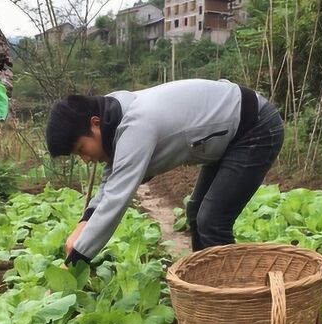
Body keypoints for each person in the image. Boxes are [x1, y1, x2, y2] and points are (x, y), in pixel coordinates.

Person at [45, 79, 284, 265]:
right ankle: (208, 287)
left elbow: (116, 198)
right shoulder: (111, 115)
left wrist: (76, 261)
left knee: (211, 221)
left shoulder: (136, 125)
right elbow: (111, 179)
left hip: (255, 126)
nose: (86, 159)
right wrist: (83, 223)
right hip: (225, 133)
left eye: (81, 149)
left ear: (94, 123)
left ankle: (235, 299)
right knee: (196, 211)